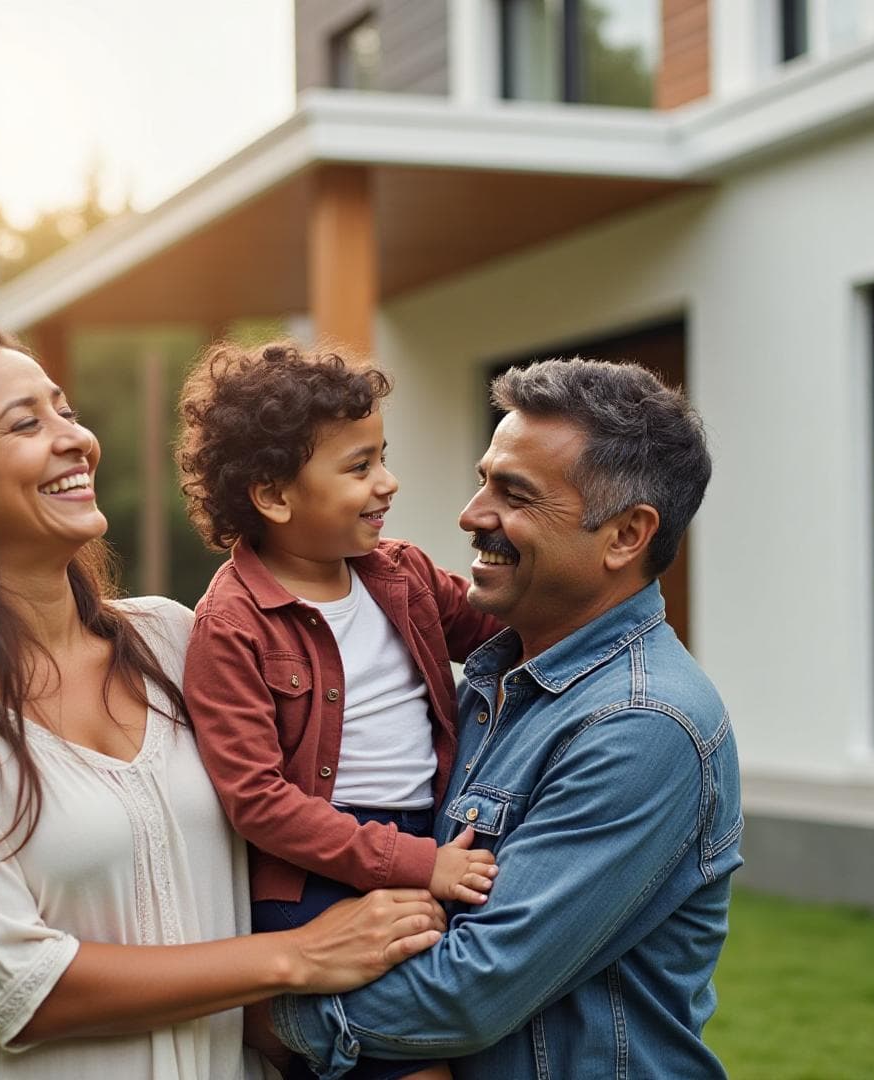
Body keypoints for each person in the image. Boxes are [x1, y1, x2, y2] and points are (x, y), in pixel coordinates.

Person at [0, 324, 446, 1079]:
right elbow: (13, 987)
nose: (77, 439)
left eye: (66, 410)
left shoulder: (174, 640)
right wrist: (297, 955)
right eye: (26, 422)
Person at [263, 357, 743, 1079]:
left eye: (514, 494)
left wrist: (256, 1006)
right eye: (484, 478)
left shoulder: (642, 723)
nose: (472, 514)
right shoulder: (495, 680)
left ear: (624, 536)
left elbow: (468, 991)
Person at [174, 343, 506, 1080]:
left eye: (381, 456)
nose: (387, 483)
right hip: (317, 878)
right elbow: (259, 802)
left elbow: (505, 632)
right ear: (274, 495)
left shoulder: (405, 574)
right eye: (359, 468)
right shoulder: (231, 625)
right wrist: (420, 864)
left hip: (434, 837)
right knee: (415, 1064)